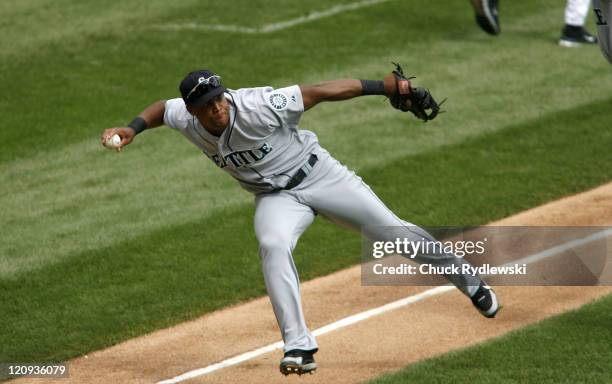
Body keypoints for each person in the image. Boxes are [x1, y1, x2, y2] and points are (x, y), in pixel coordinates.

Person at [101, 68, 500, 375]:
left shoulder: (257, 105)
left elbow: (319, 92)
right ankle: (299, 346)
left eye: (219, 98)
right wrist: (131, 128)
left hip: (321, 177)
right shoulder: (185, 117)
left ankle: (469, 281)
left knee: (396, 235)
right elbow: (160, 108)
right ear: (193, 109)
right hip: (275, 198)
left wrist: (383, 86)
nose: (217, 107)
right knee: (272, 245)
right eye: (207, 104)